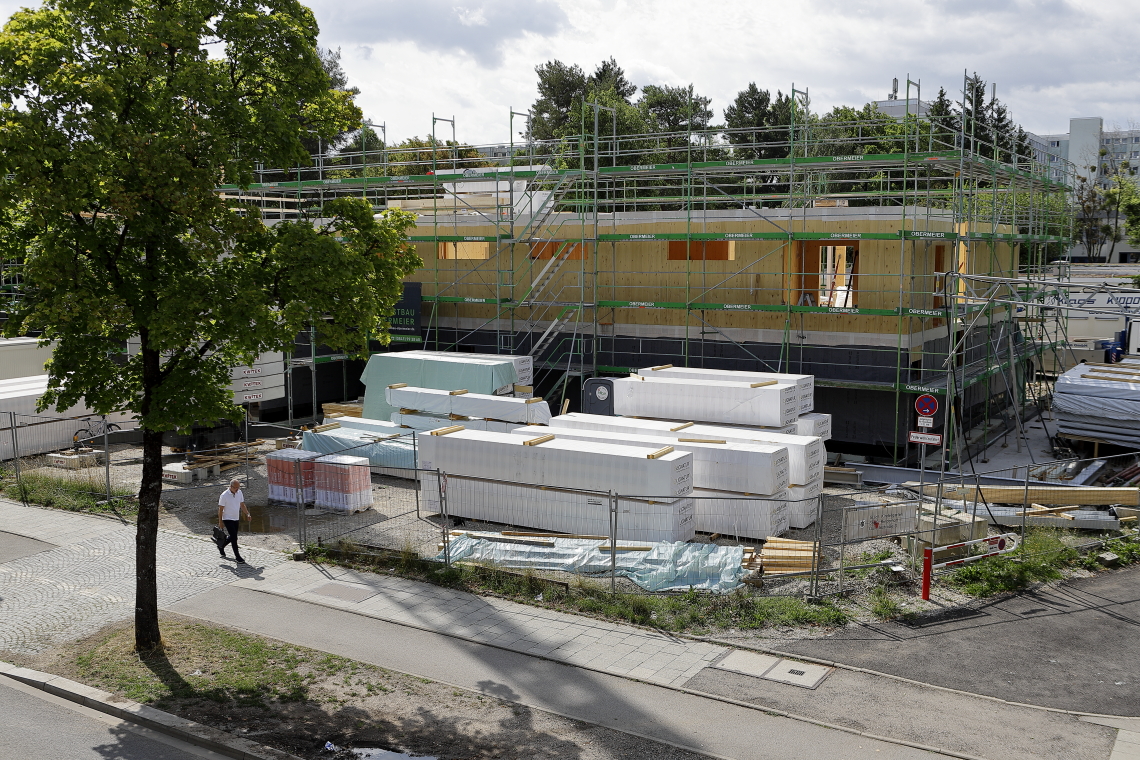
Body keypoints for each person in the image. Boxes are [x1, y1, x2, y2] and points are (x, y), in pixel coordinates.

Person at [218, 479, 251, 563]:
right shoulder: (224, 495)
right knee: (234, 538)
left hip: (236, 518)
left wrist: (247, 514)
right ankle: (237, 557)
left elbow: (242, 505)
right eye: (236, 487)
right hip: (227, 518)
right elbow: (220, 510)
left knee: (233, 536)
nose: (237, 489)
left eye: (238, 487)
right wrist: (220, 522)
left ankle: (221, 546)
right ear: (231, 486)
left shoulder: (239, 492)